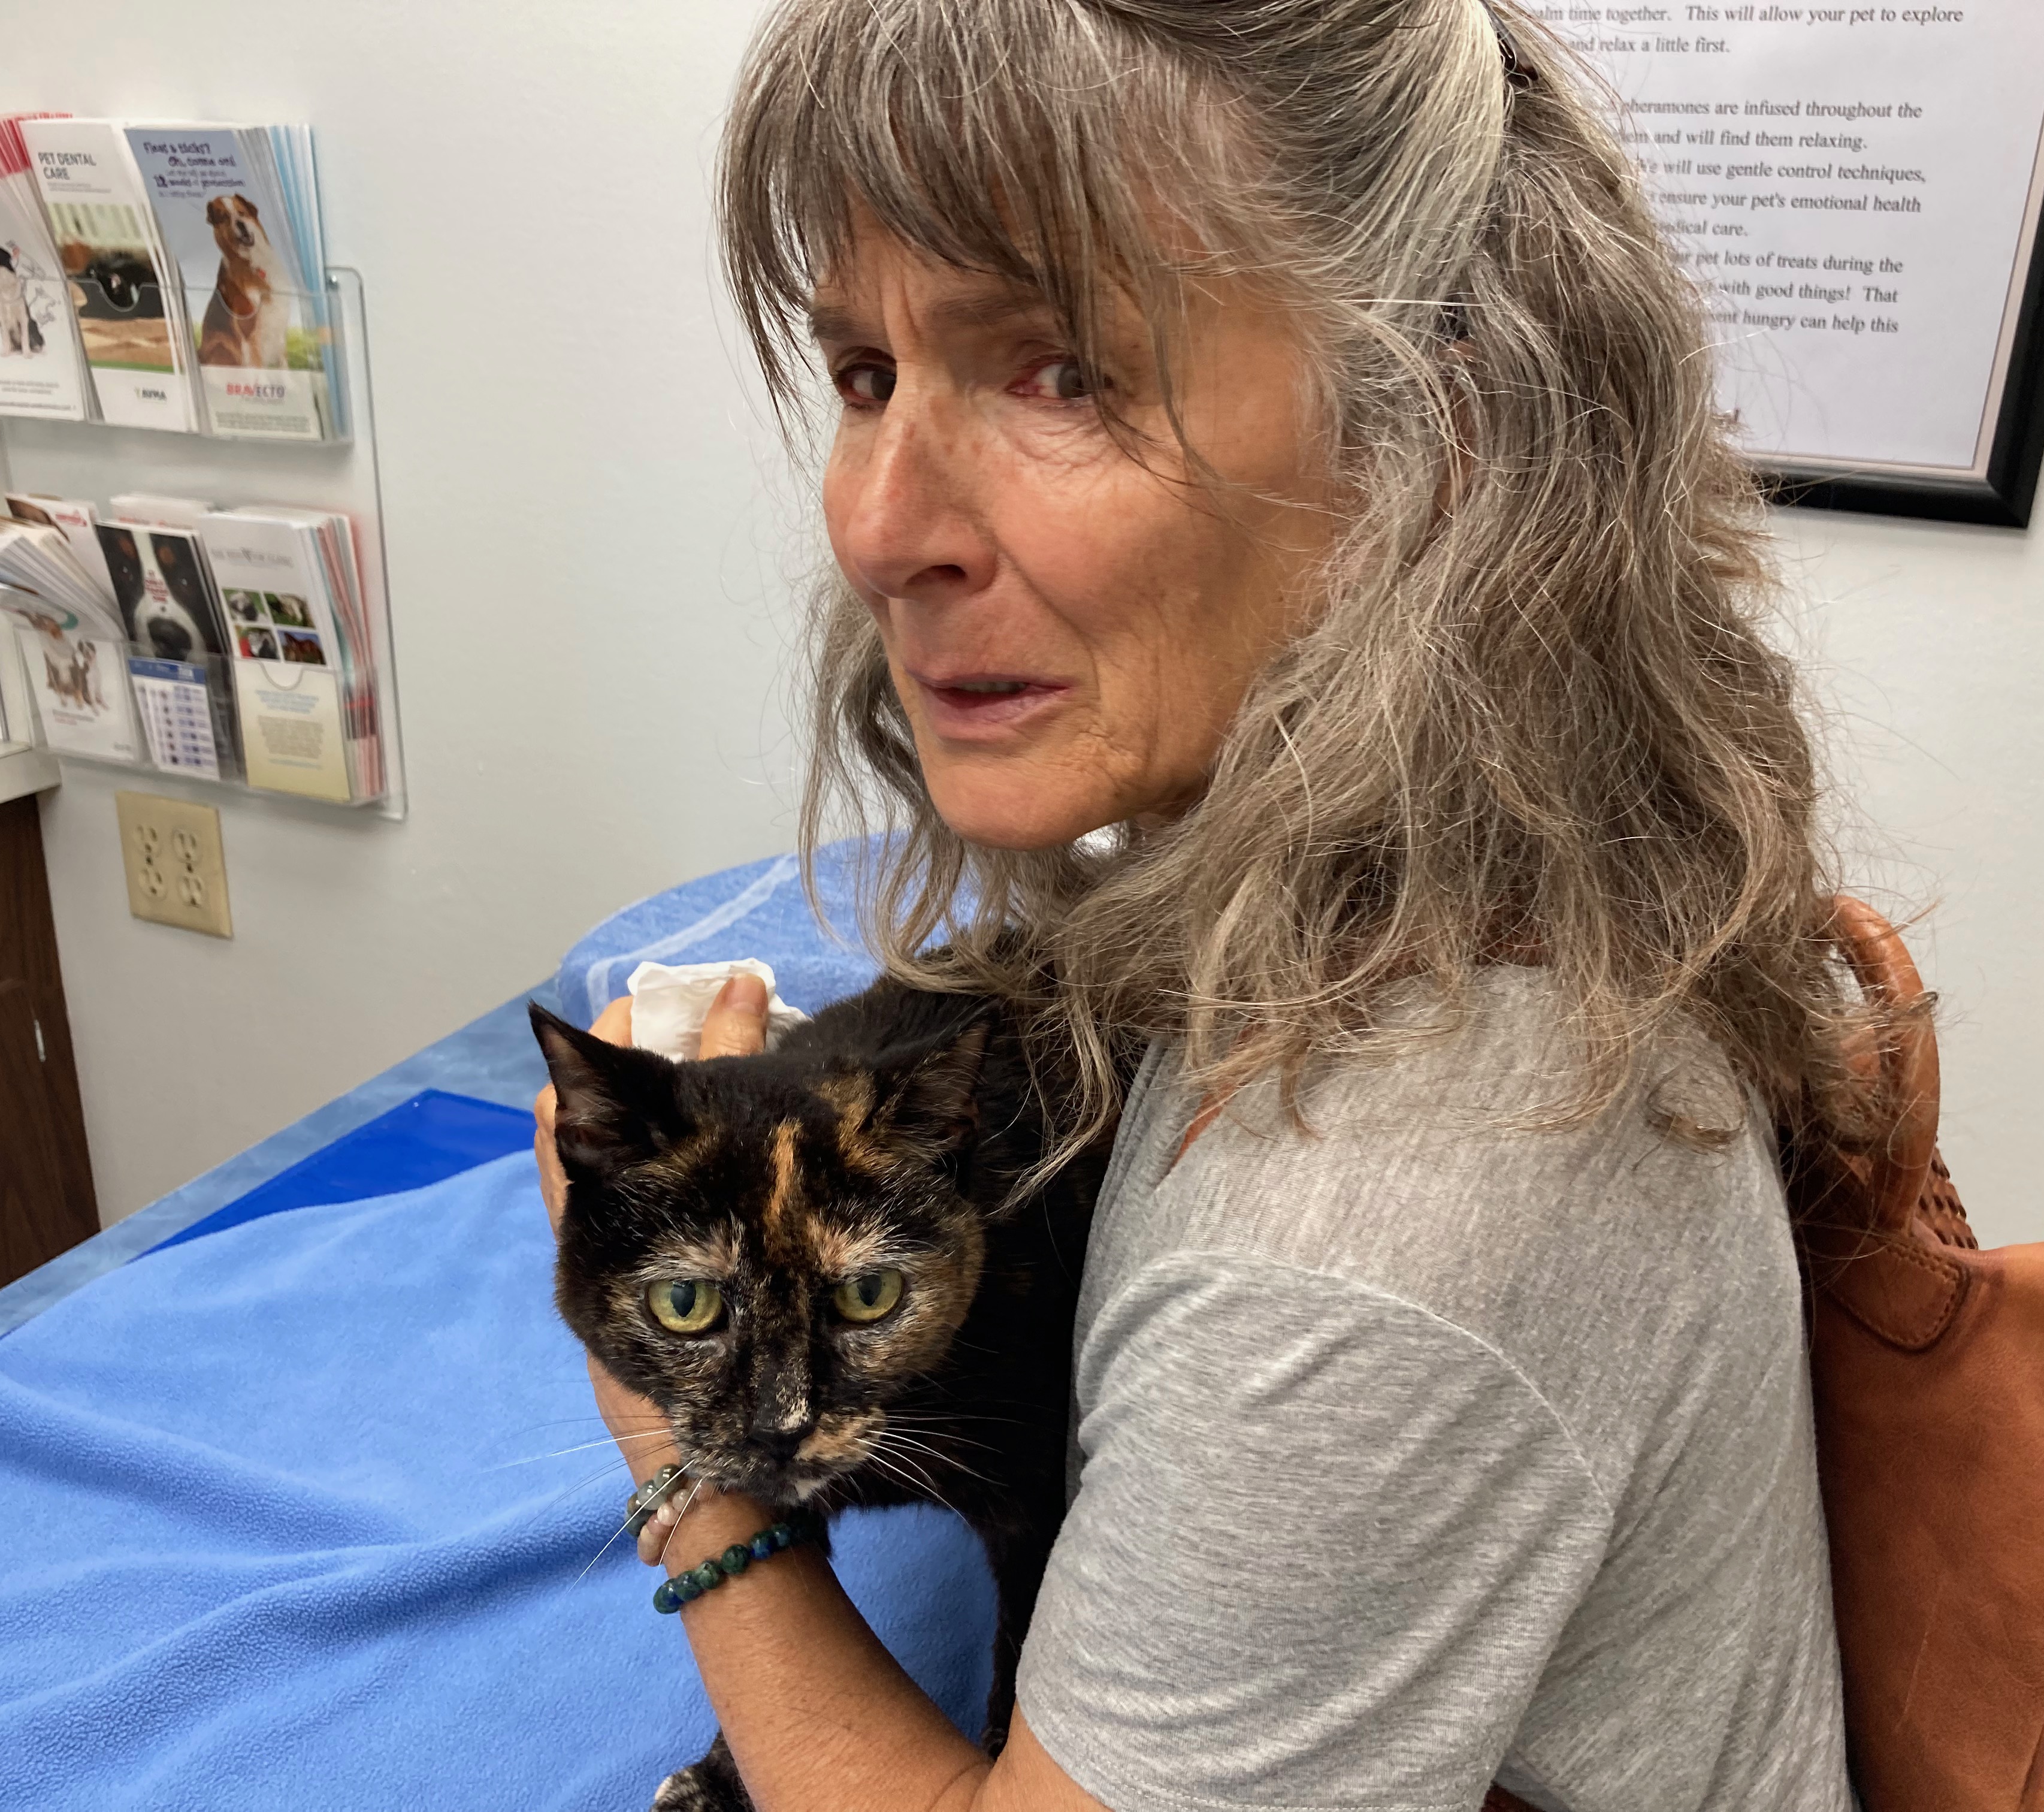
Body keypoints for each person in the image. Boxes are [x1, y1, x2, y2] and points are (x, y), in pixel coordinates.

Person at [536, 0, 1879, 1805]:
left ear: (1438, 428)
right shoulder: (1400, 868)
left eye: (1057, 371)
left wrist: (682, 1463)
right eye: (865, 373)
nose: (874, 524)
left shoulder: (1369, 1225)